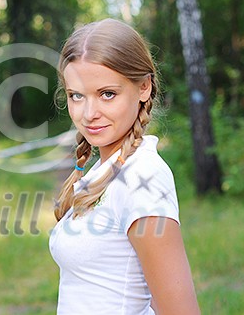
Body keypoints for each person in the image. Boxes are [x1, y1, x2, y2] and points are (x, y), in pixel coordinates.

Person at [49, 18, 200, 315]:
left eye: (107, 94)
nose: (89, 113)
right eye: (76, 96)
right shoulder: (104, 170)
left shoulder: (142, 177)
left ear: (143, 87)